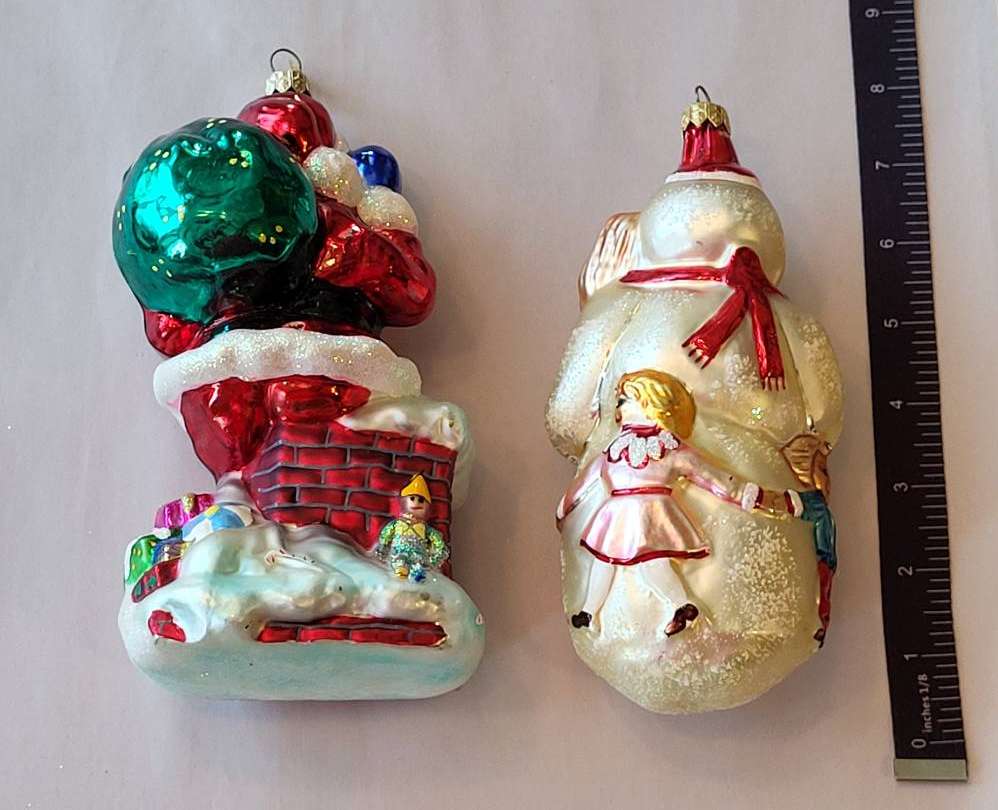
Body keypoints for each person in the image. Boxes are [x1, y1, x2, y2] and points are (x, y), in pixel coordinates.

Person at [557, 369, 800, 637]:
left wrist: (758, 497)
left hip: (653, 515)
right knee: (603, 561)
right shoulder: (614, 449)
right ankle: (589, 612)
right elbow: (586, 479)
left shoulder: (670, 448)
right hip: (616, 516)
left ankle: (681, 606)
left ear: (652, 402)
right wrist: (566, 506)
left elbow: (711, 476)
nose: (618, 409)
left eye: (625, 401)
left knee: (652, 565)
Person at [374, 474, 448, 582]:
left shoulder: (425, 529)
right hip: (399, 553)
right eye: (412, 498)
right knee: (400, 565)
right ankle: (401, 572)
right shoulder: (397, 524)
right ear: (404, 501)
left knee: (419, 572)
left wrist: (437, 554)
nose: (416, 503)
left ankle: (417, 577)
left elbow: (437, 540)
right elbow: (386, 533)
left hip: (418, 557)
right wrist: (383, 546)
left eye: (421, 500)